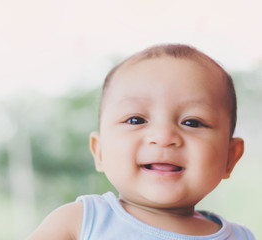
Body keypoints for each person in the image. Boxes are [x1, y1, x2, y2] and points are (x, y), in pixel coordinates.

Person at [27, 44, 255, 239]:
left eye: (192, 122)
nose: (164, 137)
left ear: (230, 157)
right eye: (135, 119)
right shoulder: (78, 223)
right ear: (100, 152)